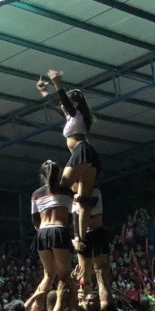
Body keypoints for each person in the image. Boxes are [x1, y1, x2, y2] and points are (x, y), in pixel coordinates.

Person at [37, 70, 99, 251]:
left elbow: (64, 101)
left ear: (75, 104)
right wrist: (43, 91)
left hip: (81, 152)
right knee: (83, 200)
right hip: (89, 156)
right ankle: (80, 238)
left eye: (68, 104)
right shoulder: (73, 117)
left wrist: (57, 83)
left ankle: (62, 229)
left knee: (63, 189)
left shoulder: (76, 114)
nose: (63, 106)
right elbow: (54, 104)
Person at [28, 160, 73, 308]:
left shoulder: (36, 194)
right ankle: (60, 310)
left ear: (42, 175)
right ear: (58, 174)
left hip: (42, 233)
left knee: (48, 275)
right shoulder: (67, 192)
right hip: (59, 231)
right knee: (64, 276)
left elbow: (35, 220)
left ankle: (33, 310)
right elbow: (71, 217)